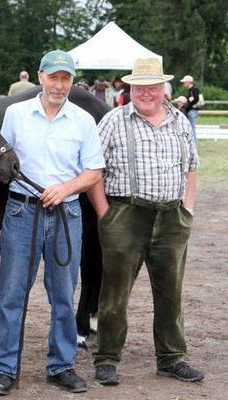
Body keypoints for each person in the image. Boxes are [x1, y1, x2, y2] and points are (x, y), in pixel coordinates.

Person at [0, 50, 105, 396]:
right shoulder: (15, 115)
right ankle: (4, 368)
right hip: (22, 212)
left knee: (63, 296)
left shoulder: (83, 121)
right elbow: (3, 163)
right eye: (53, 77)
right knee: (11, 294)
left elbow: (94, 171)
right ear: (40, 77)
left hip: (66, 214)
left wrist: (66, 188)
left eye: (65, 78)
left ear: (71, 81)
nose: (58, 84)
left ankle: (62, 365)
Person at [89, 58, 203, 387]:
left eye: (152, 87)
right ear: (130, 88)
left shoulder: (180, 121)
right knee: (114, 294)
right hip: (126, 215)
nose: (146, 93)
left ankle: (171, 358)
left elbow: (192, 167)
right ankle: (108, 359)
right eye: (139, 87)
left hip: (171, 218)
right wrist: (104, 213)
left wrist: (188, 210)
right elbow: (93, 169)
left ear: (163, 89)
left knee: (171, 293)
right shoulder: (113, 121)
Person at [180, 75, 201, 144]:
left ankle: (194, 146)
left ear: (189, 82)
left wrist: (188, 105)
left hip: (192, 111)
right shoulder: (190, 90)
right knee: (191, 129)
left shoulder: (194, 89)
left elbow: (196, 99)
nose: (183, 84)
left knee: (192, 129)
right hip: (191, 111)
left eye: (184, 82)